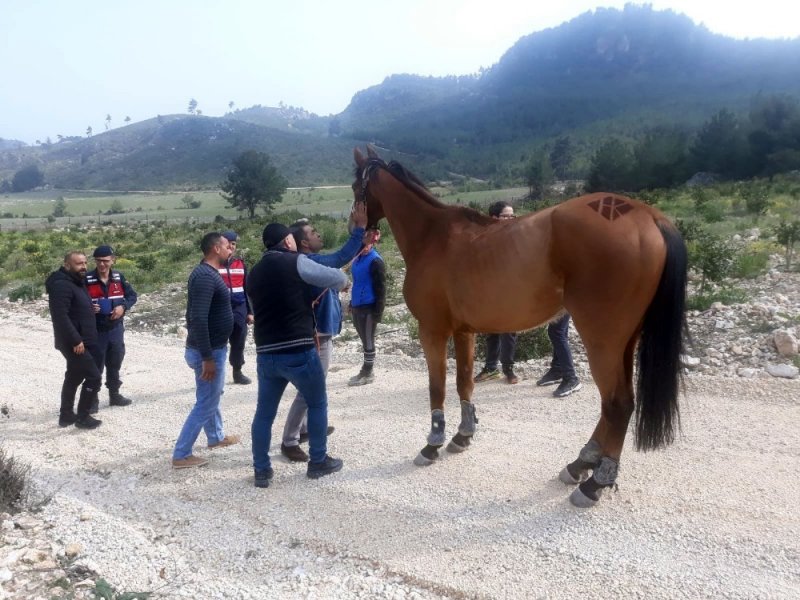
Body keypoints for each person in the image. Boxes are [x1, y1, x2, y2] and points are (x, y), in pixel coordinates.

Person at [247, 222, 349, 487]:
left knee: (264, 414)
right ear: (287, 242)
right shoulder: (297, 263)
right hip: (299, 348)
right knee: (317, 403)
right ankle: (317, 461)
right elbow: (339, 279)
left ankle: (261, 470)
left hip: (266, 353)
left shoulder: (254, 273)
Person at [279, 205, 367, 462]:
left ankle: (306, 428)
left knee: (311, 386)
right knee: (310, 389)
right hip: (318, 335)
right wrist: (359, 228)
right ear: (304, 242)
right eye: (314, 232)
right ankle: (289, 440)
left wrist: (361, 238)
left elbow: (340, 263)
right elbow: (340, 258)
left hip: (322, 332)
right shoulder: (310, 262)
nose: (319, 235)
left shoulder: (309, 263)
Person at [172, 232, 240, 469]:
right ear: (215, 249)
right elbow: (198, 318)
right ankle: (181, 454)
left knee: (211, 396)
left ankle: (215, 437)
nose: (231, 250)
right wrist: (207, 357)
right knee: (206, 402)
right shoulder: (204, 277)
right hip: (208, 352)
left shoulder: (207, 274)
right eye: (227, 246)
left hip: (211, 349)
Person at [45, 251, 103, 430]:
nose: (84, 267)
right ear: (67, 265)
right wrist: (76, 340)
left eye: (85, 263)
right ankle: (83, 417)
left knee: (74, 376)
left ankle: (66, 415)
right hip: (75, 342)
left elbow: (73, 307)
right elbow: (60, 317)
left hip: (86, 337)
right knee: (94, 377)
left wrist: (88, 307)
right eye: (79, 264)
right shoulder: (61, 284)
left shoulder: (76, 280)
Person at [85, 245, 137, 412]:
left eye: (105, 261)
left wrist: (123, 307)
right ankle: (92, 400)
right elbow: (75, 301)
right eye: (99, 261)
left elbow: (131, 296)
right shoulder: (86, 279)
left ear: (112, 260)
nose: (102, 265)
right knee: (95, 366)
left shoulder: (118, 277)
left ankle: (114, 395)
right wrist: (88, 307)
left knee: (115, 363)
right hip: (96, 330)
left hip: (115, 329)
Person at [474, 201, 520, 385]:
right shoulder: (484, 239)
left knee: (509, 330)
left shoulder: (516, 237)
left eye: (512, 215)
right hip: (490, 293)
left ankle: (509, 369)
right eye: (506, 215)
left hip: (510, 291)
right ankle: (491, 368)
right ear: (494, 218)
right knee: (491, 331)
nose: (511, 219)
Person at [348, 226, 386, 386]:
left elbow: (381, 289)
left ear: (372, 242)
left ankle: (368, 372)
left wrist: (378, 312)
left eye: (367, 243)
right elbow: (357, 283)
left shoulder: (376, 261)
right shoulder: (357, 259)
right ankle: (365, 370)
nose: (364, 246)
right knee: (364, 340)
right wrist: (351, 302)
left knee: (369, 340)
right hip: (357, 305)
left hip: (370, 307)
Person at [219, 231, 254, 385]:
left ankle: (237, 372)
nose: (231, 247)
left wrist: (250, 312)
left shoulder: (240, 264)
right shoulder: (212, 264)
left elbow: (247, 290)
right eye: (228, 244)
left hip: (239, 308)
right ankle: (215, 375)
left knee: (239, 340)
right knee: (218, 342)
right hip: (220, 309)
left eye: (233, 244)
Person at [535, 314, 582, 397]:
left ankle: (571, 378)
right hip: (561, 302)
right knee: (560, 331)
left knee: (557, 332)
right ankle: (558, 369)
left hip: (563, 302)